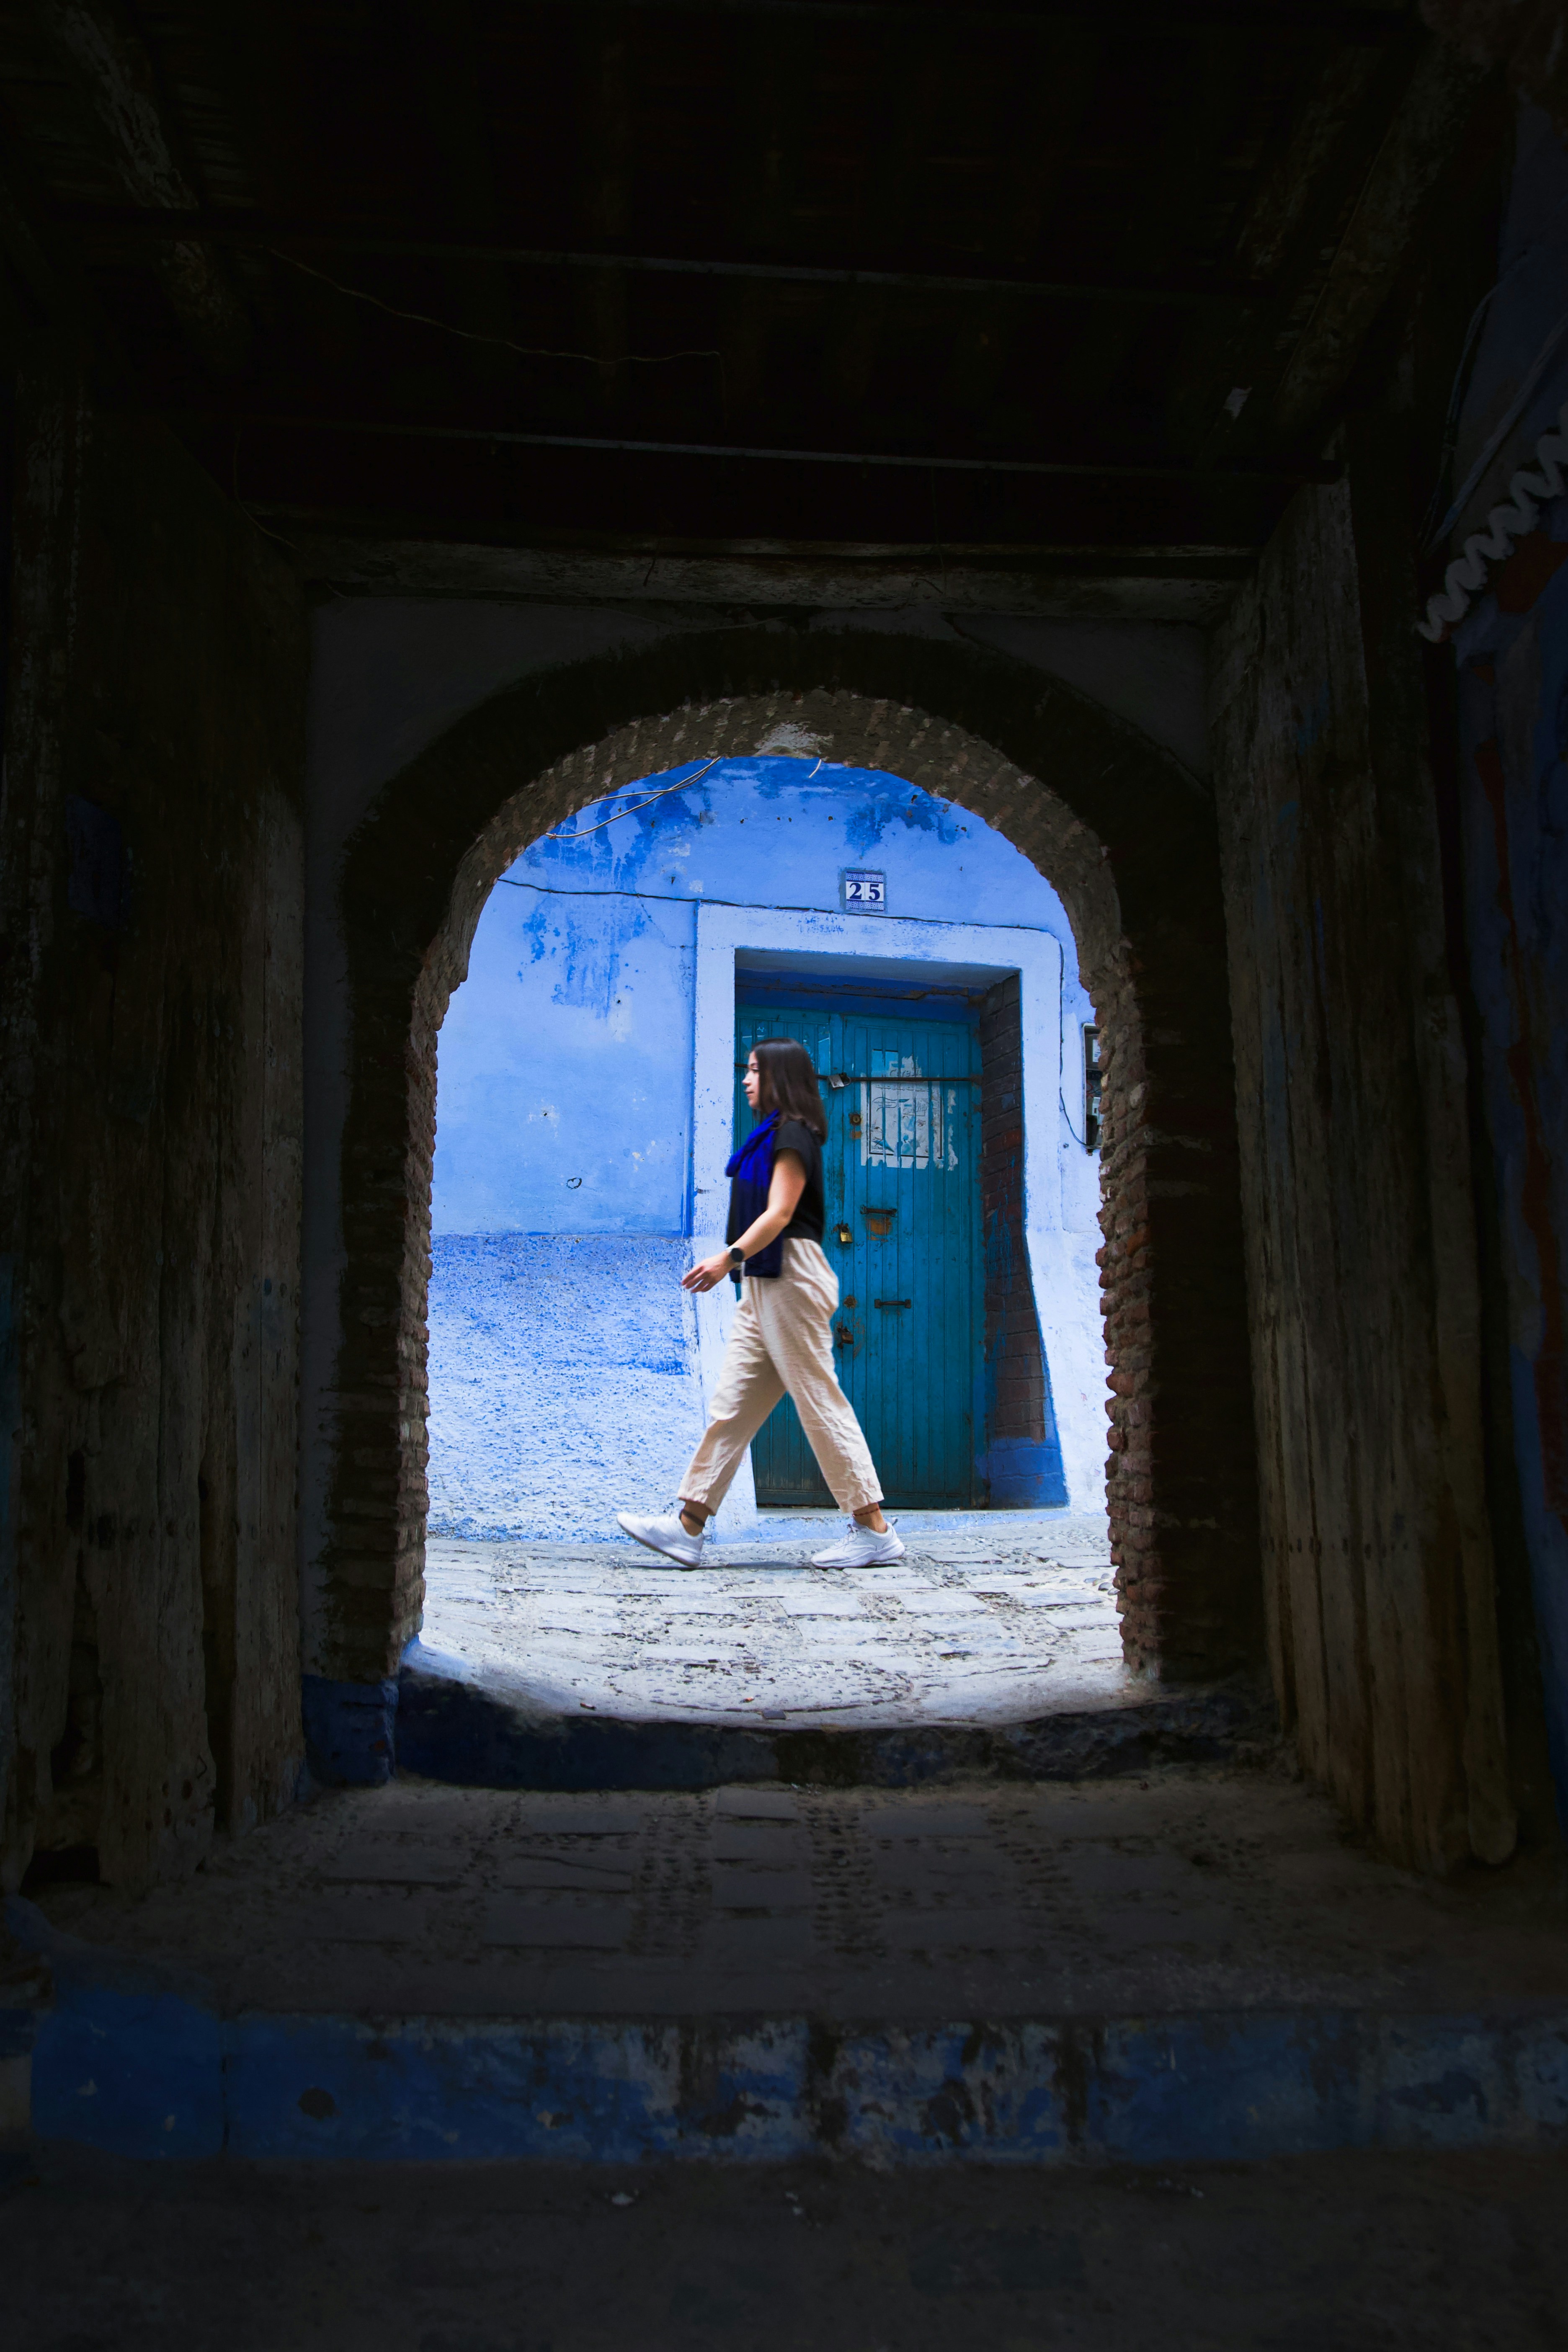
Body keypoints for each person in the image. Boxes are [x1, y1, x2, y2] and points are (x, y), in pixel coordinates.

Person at [617, 1037, 905, 1570]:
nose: (746, 1080)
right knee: (734, 1407)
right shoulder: (768, 1136)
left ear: (778, 1076)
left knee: (819, 1399)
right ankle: (688, 1526)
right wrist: (739, 1265)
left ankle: (874, 1530)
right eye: (746, 1070)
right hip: (765, 1279)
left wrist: (727, 1257)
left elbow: (779, 1213)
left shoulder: (792, 1134)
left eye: (754, 1070)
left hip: (789, 1273)